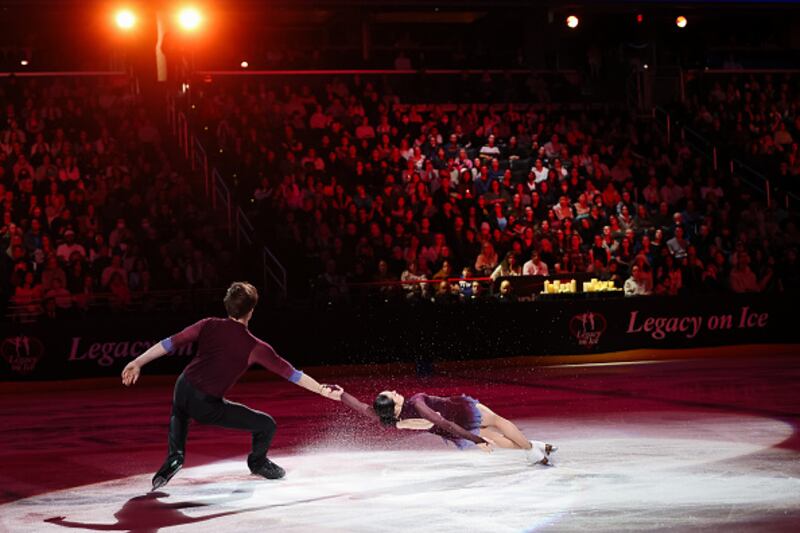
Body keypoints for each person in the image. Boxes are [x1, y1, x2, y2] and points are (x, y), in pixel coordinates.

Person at [121, 281, 342, 490]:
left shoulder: (207, 324)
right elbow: (292, 374)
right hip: (206, 405)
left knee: (179, 412)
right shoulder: (255, 347)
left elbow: (171, 342)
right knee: (266, 425)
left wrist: (137, 362)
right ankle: (257, 462)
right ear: (251, 311)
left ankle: (175, 455)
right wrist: (322, 390)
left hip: (183, 386)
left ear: (227, 306)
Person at [334, 387, 556, 465]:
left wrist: (341, 394)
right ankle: (531, 449)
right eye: (390, 394)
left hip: (452, 428)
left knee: (495, 439)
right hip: (458, 414)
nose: (393, 391)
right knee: (497, 421)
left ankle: (536, 448)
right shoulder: (416, 402)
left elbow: (362, 407)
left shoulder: (388, 419)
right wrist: (475, 440)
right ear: (394, 404)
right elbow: (442, 420)